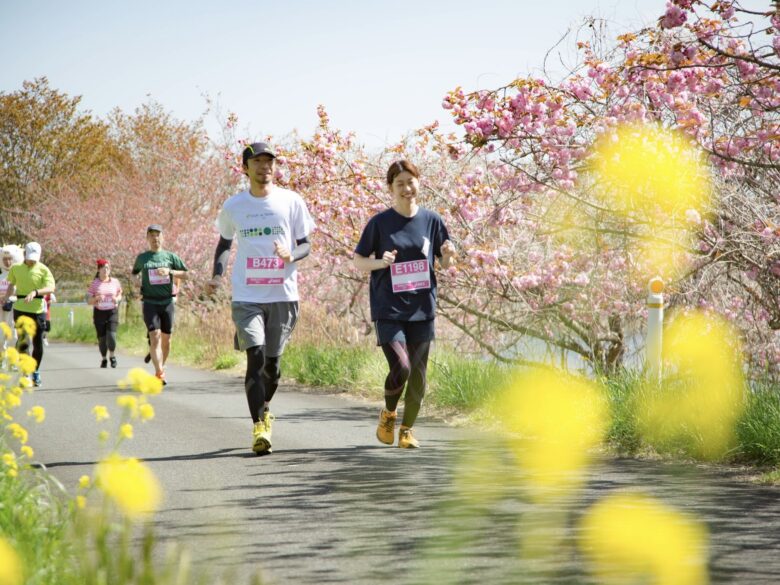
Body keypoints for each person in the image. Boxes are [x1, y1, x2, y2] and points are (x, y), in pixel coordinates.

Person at [207, 142, 314, 455]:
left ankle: (265, 408)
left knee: (273, 366)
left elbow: (305, 244)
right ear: (245, 168)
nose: (264, 166)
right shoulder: (235, 206)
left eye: (269, 162)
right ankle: (258, 427)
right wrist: (216, 275)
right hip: (247, 294)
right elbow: (225, 243)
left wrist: (290, 254)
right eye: (257, 161)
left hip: (282, 294)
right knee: (255, 355)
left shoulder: (291, 202)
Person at [353, 160, 457, 448]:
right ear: (391, 188)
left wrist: (448, 254)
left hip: (422, 308)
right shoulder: (379, 222)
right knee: (401, 365)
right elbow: (358, 260)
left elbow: (445, 263)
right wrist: (380, 262)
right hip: (389, 307)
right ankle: (388, 413)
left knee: (419, 375)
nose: (406, 188)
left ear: (419, 183)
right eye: (400, 183)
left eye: (411, 181)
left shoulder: (432, 221)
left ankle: (407, 430)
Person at [132, 225, 189, 384]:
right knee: (154, 336)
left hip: (167, 302)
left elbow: (187, 274)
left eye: (158, 235)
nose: (155, 238)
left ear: (162, 238)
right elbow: (134, 274)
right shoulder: (142, 258)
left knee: (167, 339)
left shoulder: (170, 257)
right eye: (151, 235)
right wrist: (136, 281)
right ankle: (159, 372)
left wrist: (170, 272)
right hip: (150, 302)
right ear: (147, 238)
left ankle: (161, 367)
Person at [2, 242, 57, 386]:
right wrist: (6, 297)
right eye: (30, 258)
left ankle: (36, 370)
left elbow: (51, 287)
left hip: (38, 310)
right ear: (24, 255)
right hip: (20, 308)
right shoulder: (16, 269)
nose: (32, 261)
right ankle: (26, 373)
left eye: (35, 258)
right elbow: (11, 285)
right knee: (23, 342)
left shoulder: (44, 269)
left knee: (38, 344)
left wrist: (36, 292)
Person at [87, 258, 123, 368]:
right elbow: (89, 301)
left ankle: (112, 356)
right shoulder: (94, 284)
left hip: (112, 311)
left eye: (107, 268)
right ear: (99, 270)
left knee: (111, 336)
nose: (106, 270)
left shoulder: (115, 282)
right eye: (103, 268)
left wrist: (117, 299)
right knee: (102, 338)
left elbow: (120, 293)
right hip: (99, 313)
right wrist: (97, 298)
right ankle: (104, 358)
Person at [0, 245, 24, 349]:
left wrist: (11, 297)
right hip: (1, 310)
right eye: (5, 259)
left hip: (14, 310)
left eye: (10, 259)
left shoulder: (19, 276)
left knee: (13, 334)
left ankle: (13, 360)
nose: (7, 262)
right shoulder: (1, 277)